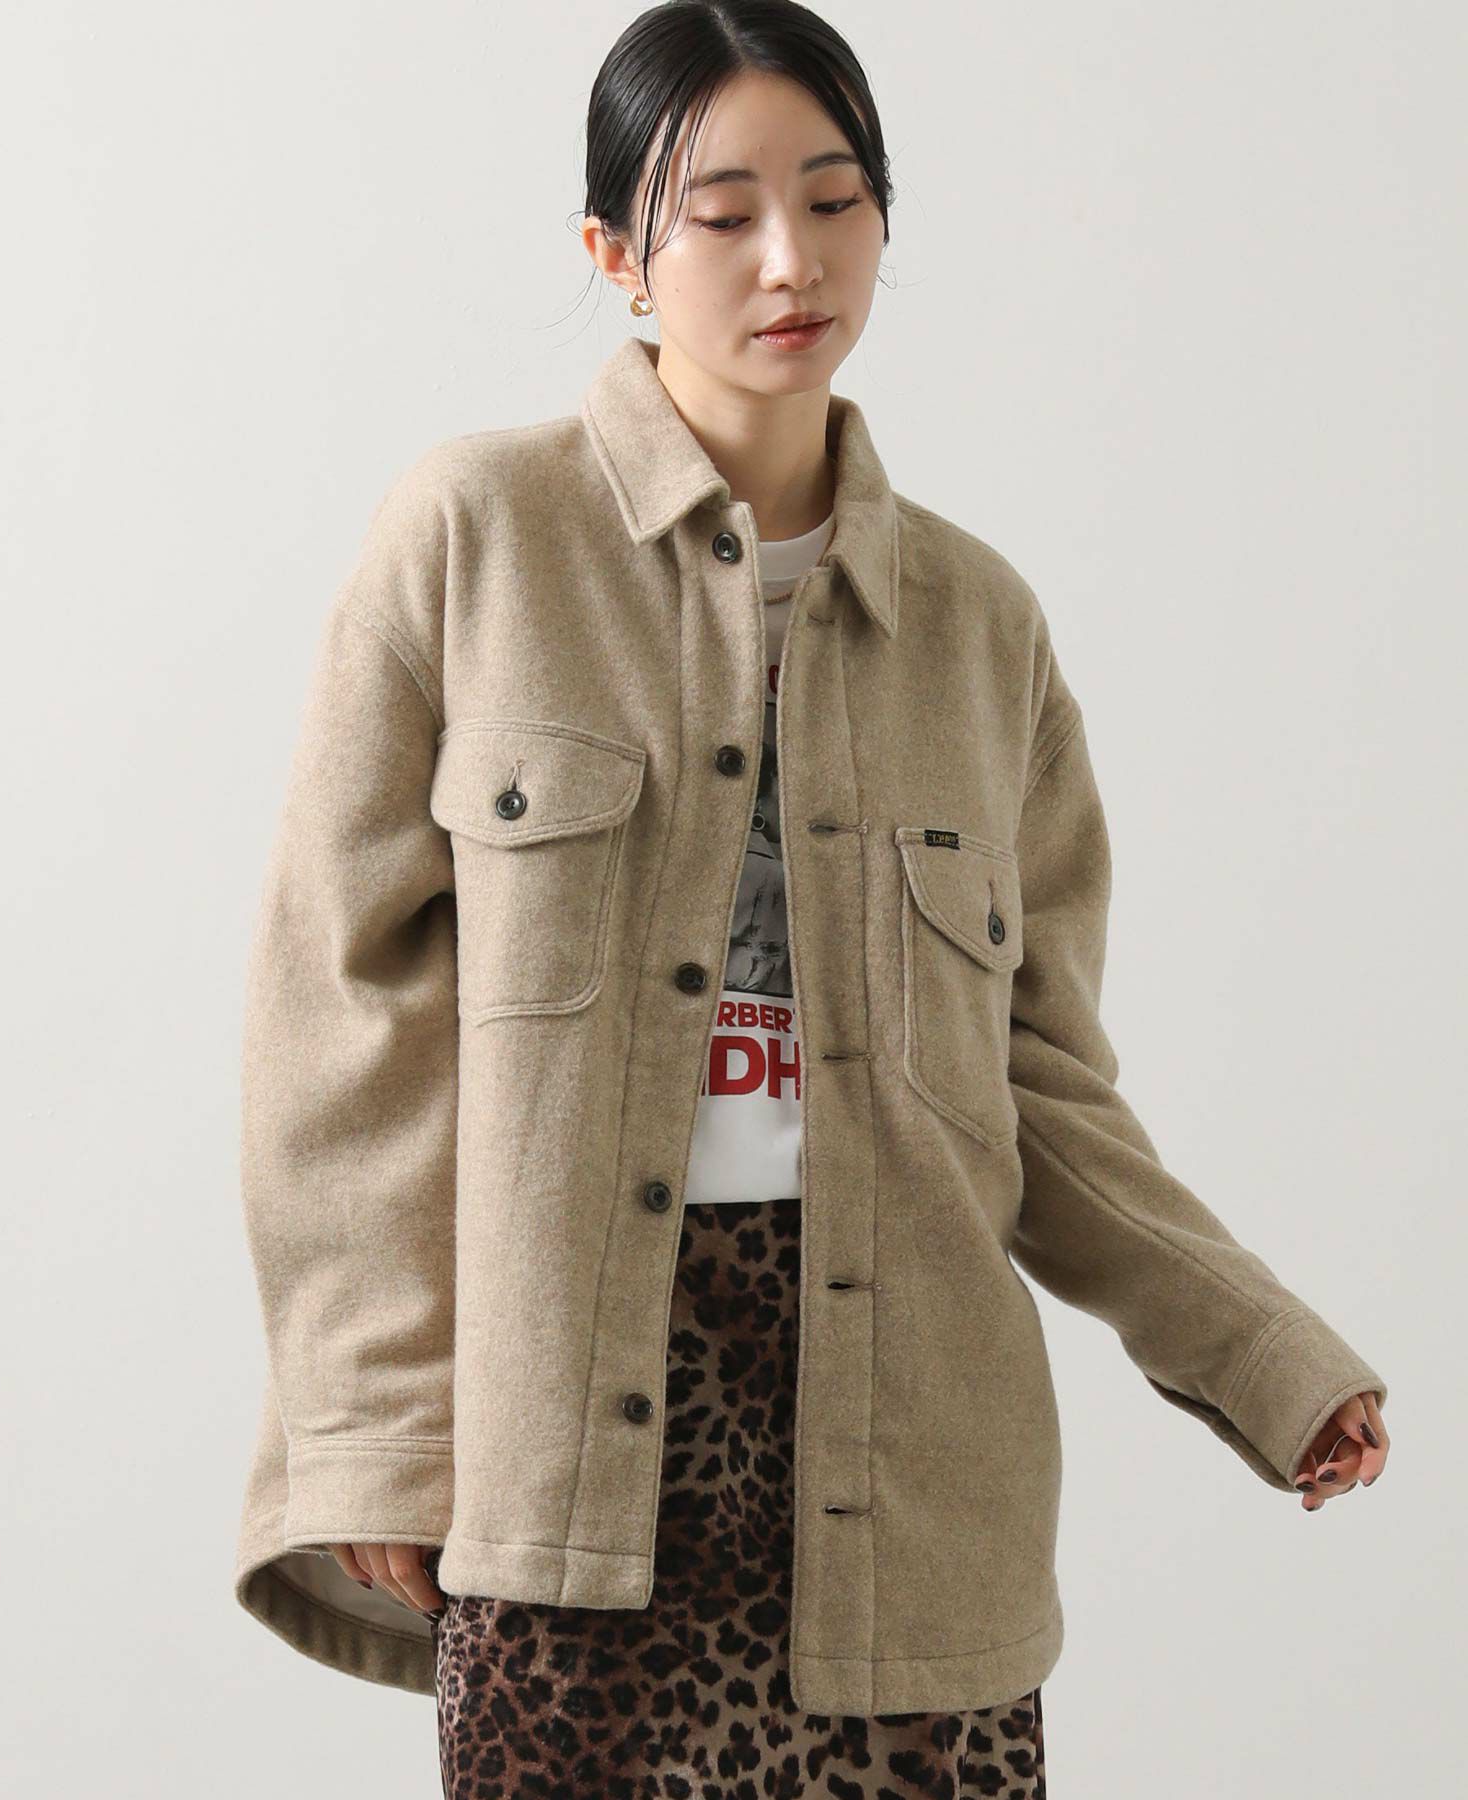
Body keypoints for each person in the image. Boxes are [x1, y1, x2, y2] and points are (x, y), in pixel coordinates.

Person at [232, 5, 1389, 1795]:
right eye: (724, 212)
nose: (794, 259)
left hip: (919, 1480)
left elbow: (1039, 1087)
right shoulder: (475, 538)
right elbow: (340, 1022)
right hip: (570, 1454)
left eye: (839, 201)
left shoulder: (982, 629)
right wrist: (374, 1427)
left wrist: (1262, 1353)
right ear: (616, 253)